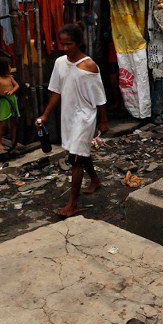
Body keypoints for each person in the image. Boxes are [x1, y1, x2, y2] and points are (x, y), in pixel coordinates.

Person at [38, 23, 109, 217]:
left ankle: (73, 203)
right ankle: (95, 180)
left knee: (76, 159)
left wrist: (103, 121)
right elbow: (56, 92)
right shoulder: (60, 63)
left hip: (85, 118)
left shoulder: (89, 66)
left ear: (78, 43)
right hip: (68, 117)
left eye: (69, 44)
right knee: (80, 153)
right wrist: (45, 115)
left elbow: (100, 97)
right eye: (62, 44)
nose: (65, 48)